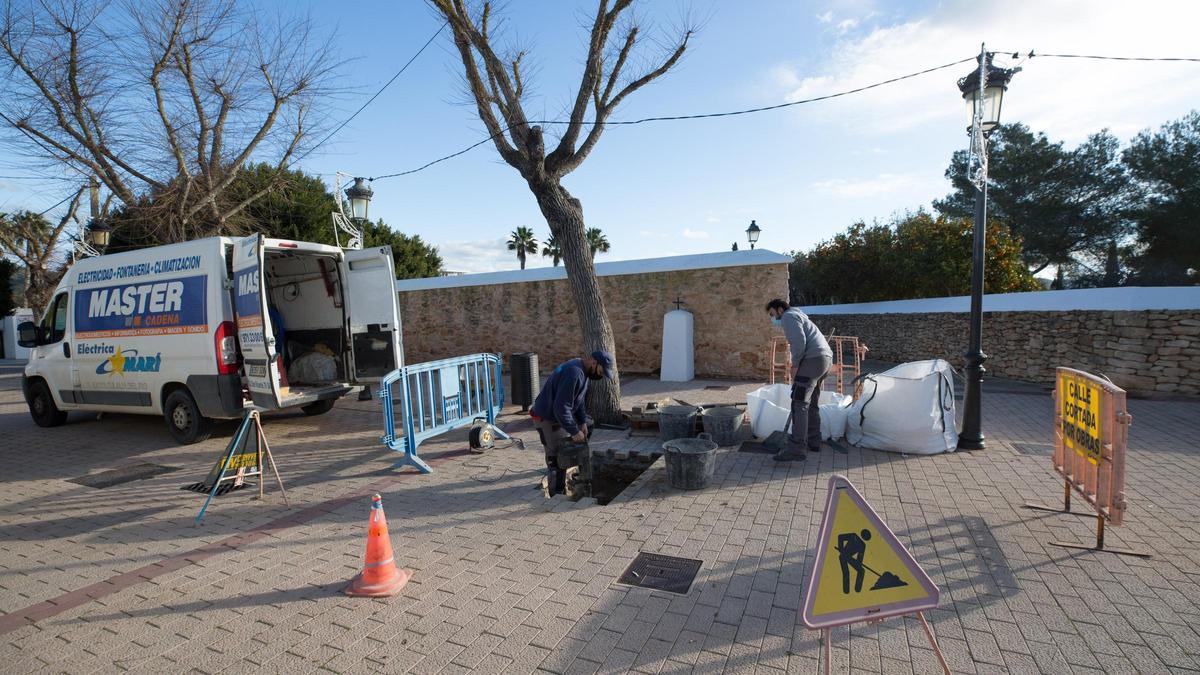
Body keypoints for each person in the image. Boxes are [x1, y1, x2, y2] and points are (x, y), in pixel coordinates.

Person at [530, 350, 615, 496]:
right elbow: (561, 407)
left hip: (556, 414)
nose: (600, 376)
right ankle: (557, 493)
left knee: (589, 424)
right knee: (557, 457)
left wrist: (582, 422)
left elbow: (579, 400)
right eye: (601, 371)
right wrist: (574, 431)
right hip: (546, 417)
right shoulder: (574, 373)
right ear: (594, 362)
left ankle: (577, 464)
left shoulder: (584, 372)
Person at [766, 298, 833, 461]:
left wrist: (794, 366)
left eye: (772, 314)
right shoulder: (800, 315)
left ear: (780, 309)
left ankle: (796, 448)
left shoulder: (788, 317)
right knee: (811, 403)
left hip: (812, 361)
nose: (772, 318)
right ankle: (814, 441)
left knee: (799, 403)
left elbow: (799, 344)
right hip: (824, 359)